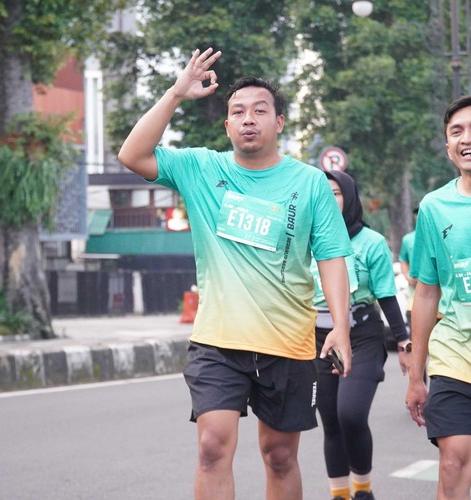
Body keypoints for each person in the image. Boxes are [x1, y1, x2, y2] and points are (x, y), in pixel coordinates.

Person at [118, 47, 353, 500]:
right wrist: (175, 93)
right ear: (226, 125)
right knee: (211, 447)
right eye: (238, 112)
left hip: (287, 341)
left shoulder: (309, 183)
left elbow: (331, 258)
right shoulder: (200, 168)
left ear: (279, 122)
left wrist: (340, 327)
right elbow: (132, 154)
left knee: (279, 455)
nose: (249, 119)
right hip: (218, 341)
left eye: (260, 111)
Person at [311, 171, 411, 500]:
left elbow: (386, 295)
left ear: (349, 197)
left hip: (362, 335)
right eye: (323, 193)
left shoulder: (371, 242)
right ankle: (339, 494)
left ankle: (363, 490)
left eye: (336, 193)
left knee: (350, 414)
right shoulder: (306, 239)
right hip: (318, 338)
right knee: (331, 421)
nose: (329, 199)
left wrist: (404, 342)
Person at [406, 95, 471, 499]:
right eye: (457, 132)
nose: (466, 139)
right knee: (452, 461)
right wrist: (417, 375)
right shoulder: (434, 207)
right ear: (448, 147)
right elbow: (427, 292)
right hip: (454, 354)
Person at [399, 207, 419, 333]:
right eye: (417, 214)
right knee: (417, 338)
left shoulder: (440, 235)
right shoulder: (408, 239)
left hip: (441, 305)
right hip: (414, 300)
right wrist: (407, 276)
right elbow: (403, 260)